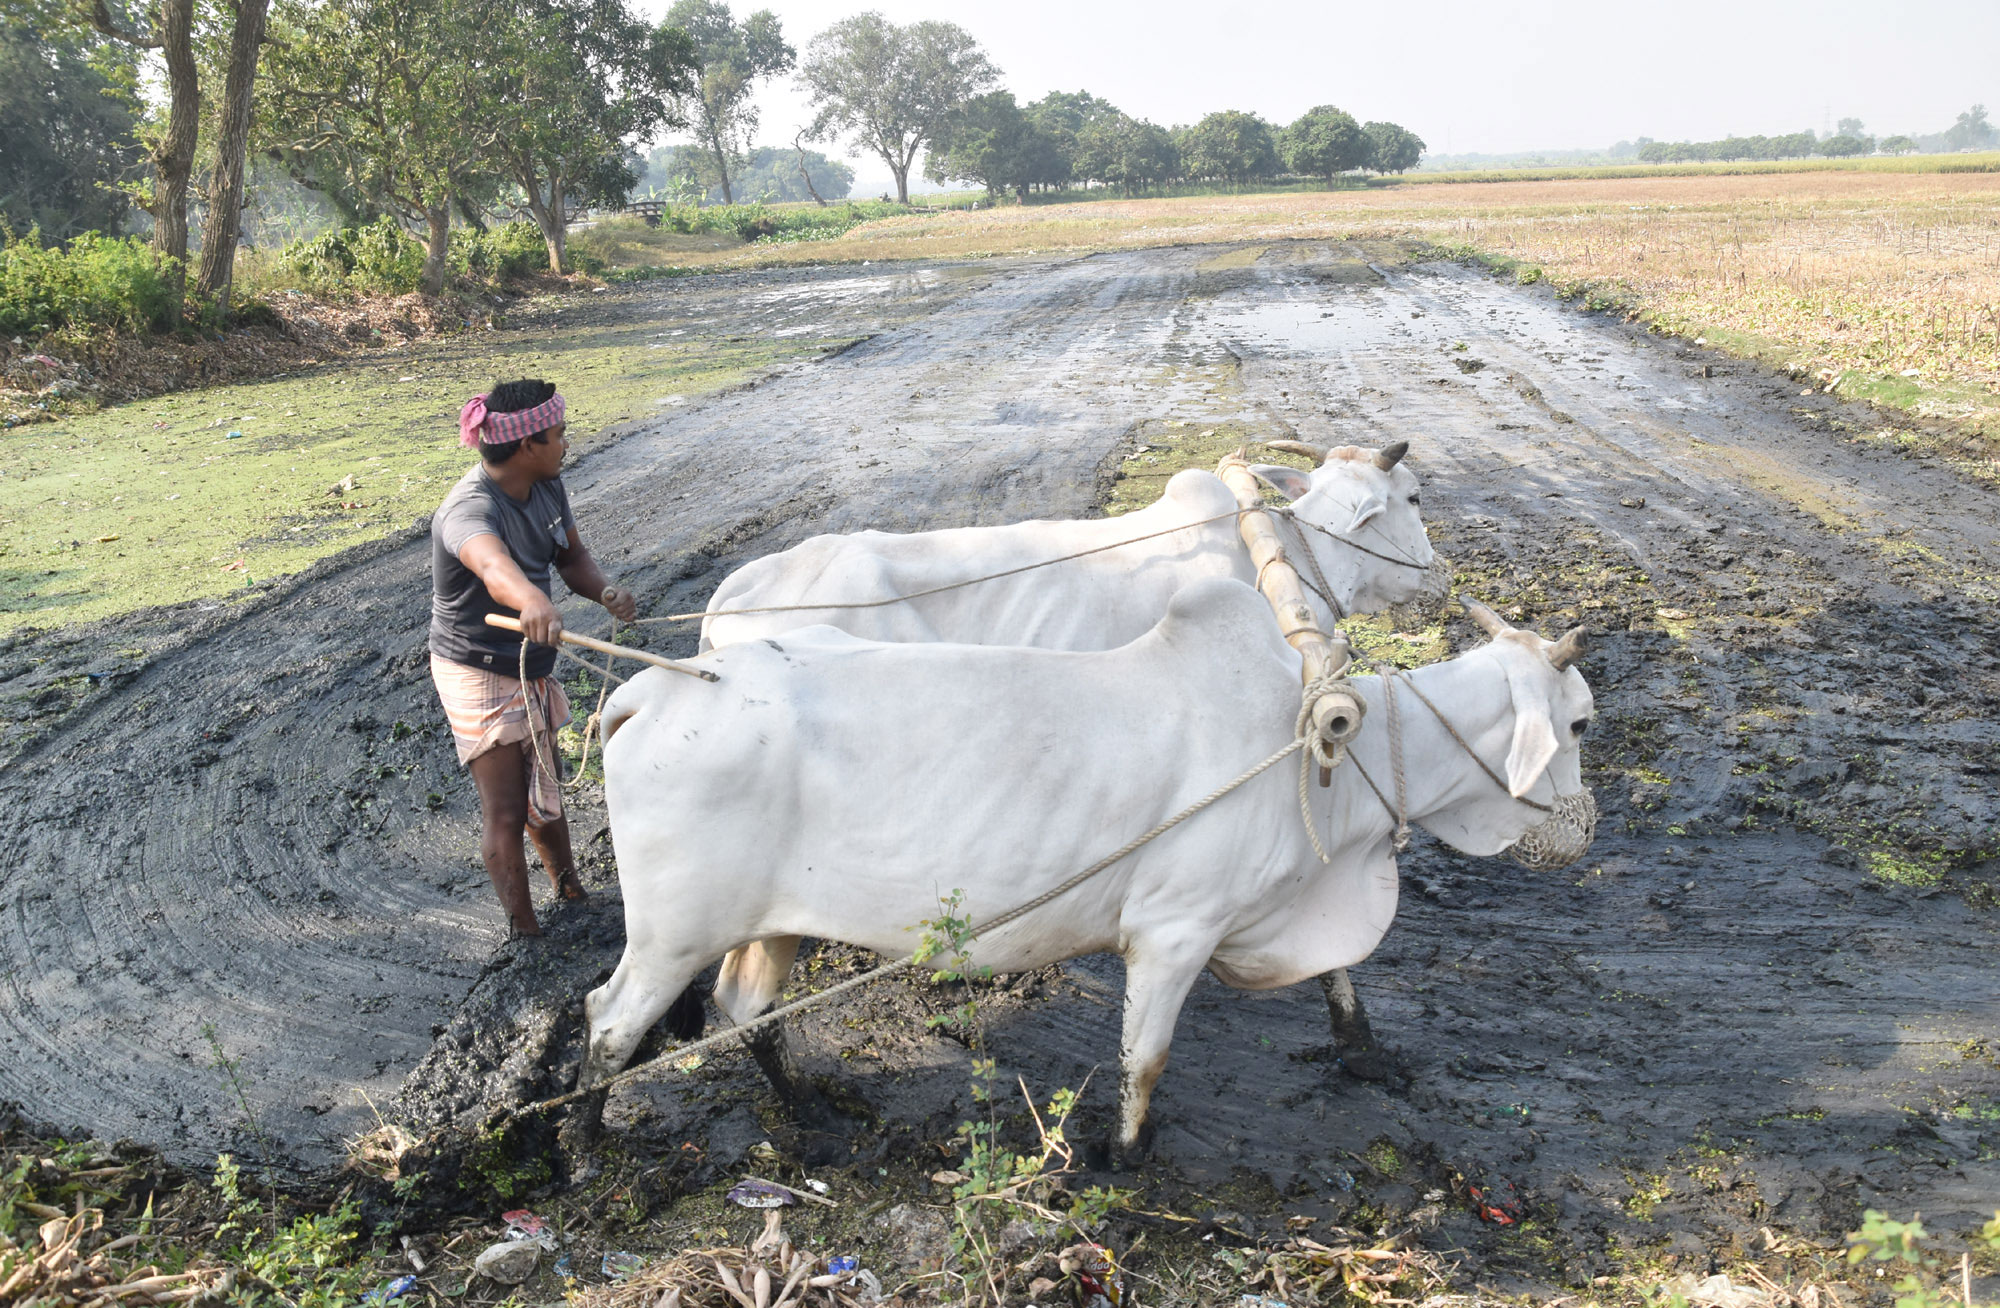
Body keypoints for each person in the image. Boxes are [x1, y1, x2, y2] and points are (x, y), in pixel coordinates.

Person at [428, 379, 638, 937]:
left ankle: (570, 892)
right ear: (527, 445)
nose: (566, 444)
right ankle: (525, 934)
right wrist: (531, 600)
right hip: (477, 667)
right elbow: (495, 569)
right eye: (559, 435)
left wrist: (605, 592)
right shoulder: (467, 510)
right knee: (505, 807)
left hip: (529, 657)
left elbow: (572, 558)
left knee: (544, 786)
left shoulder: (548, 486)